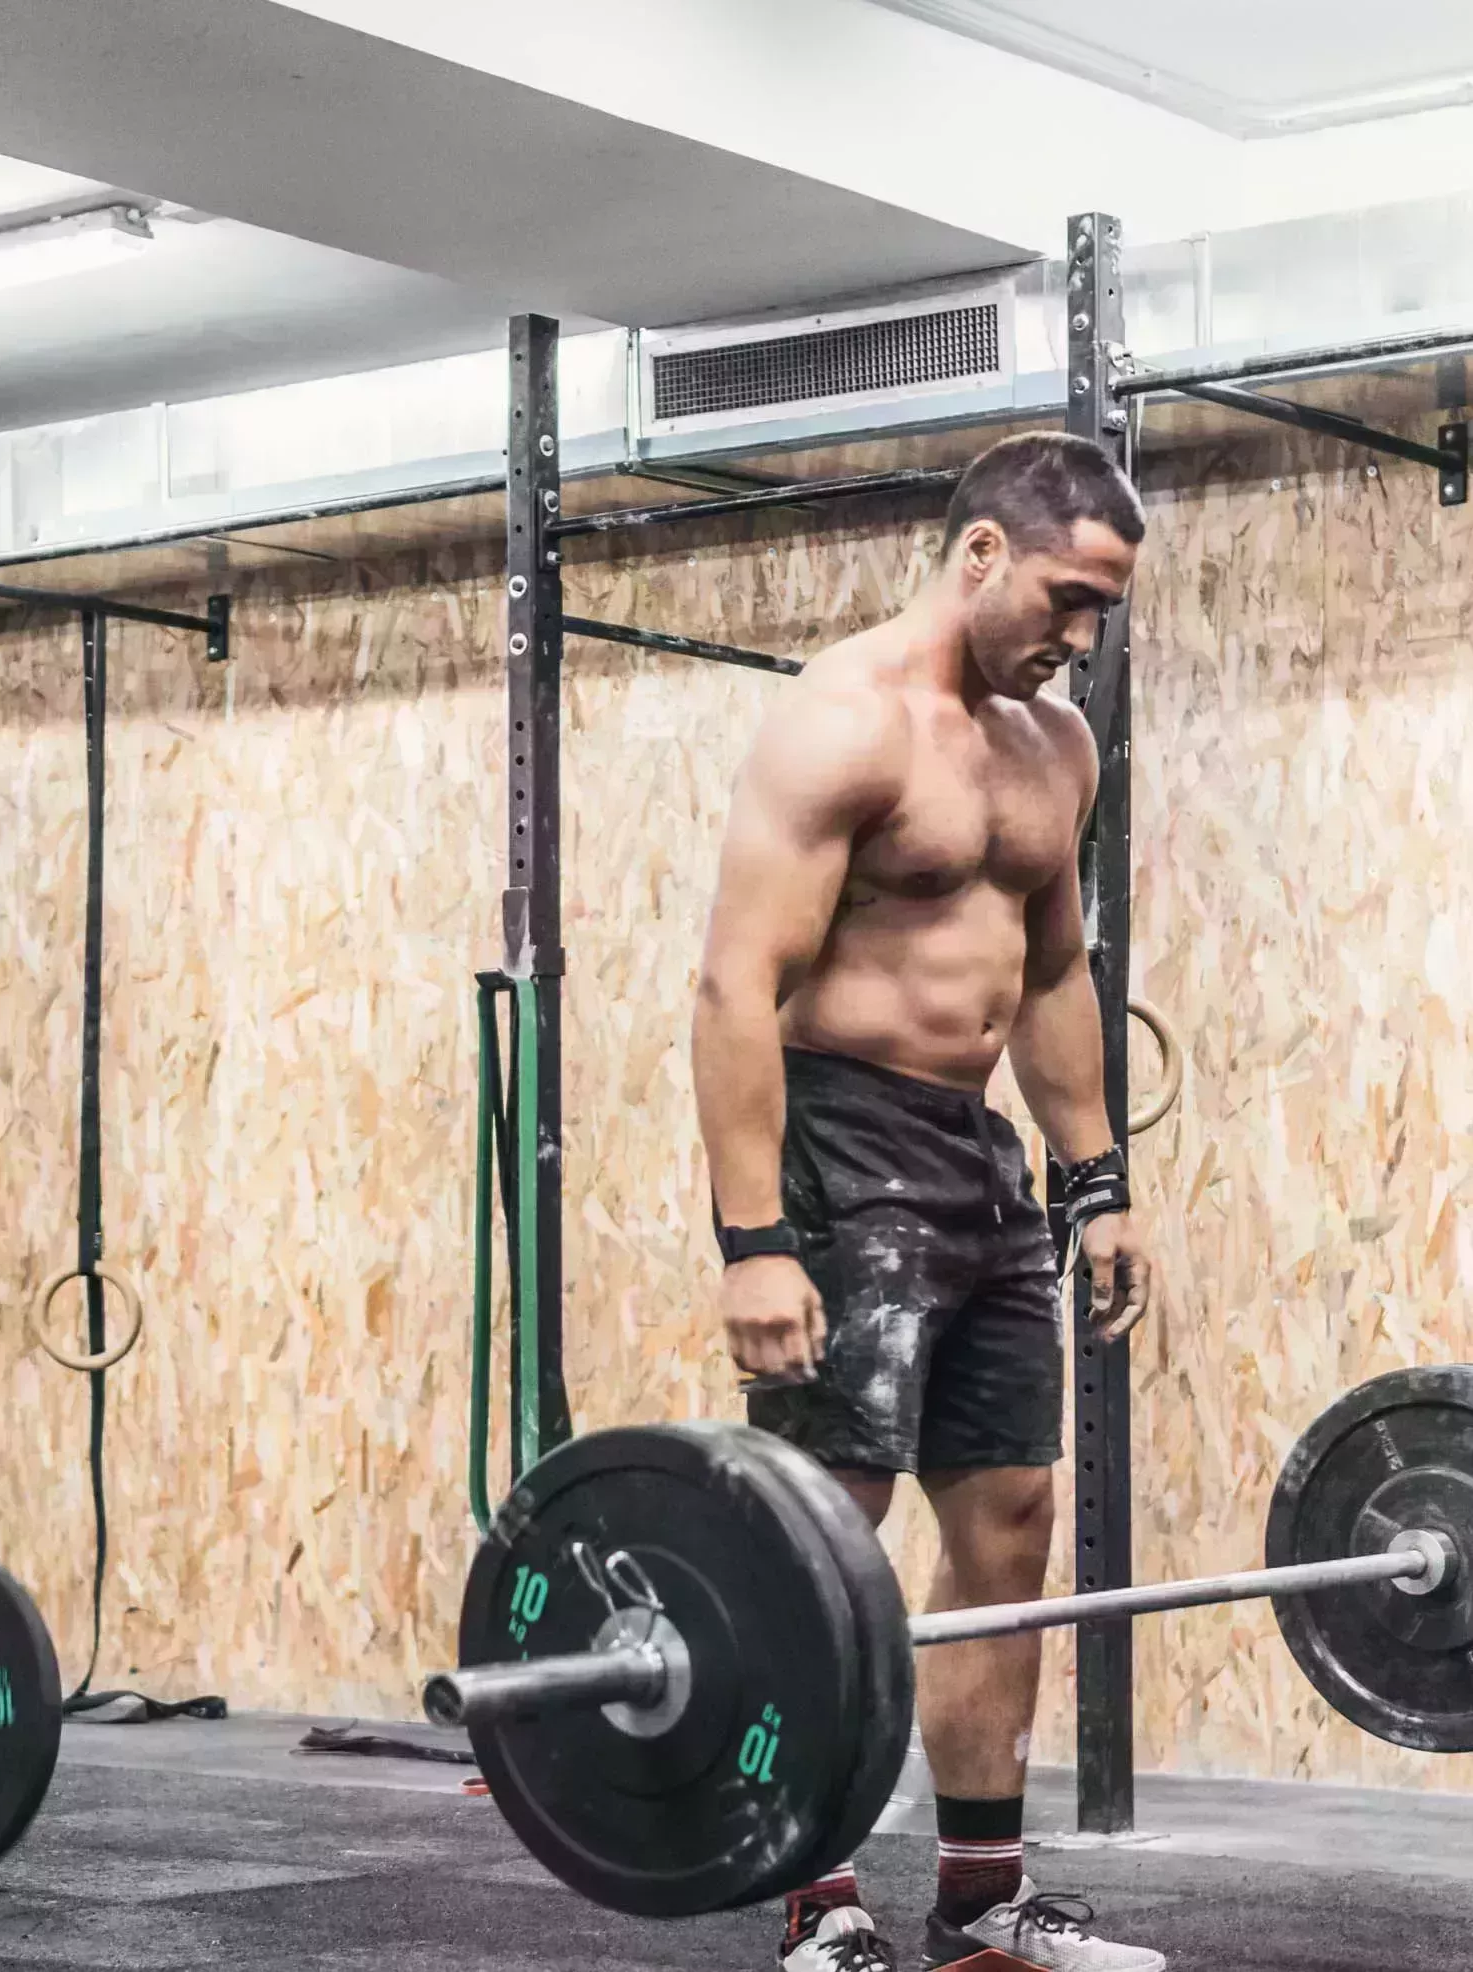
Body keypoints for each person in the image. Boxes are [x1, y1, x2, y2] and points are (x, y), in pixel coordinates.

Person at [692, 433, 1160, 1972]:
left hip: (975, 1157)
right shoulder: (844, 724)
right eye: (1066, 597)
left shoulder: (1055, 751)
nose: (1078, 637)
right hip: (841, 1140)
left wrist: (1096, 1186)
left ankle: (982, 1905)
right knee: (830, 1536)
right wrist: (755, 1242)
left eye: (1102, 611)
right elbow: (737, 987)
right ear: (977, 554)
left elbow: (1053, 975)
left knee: (1009, 1522)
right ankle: (816, 1901)